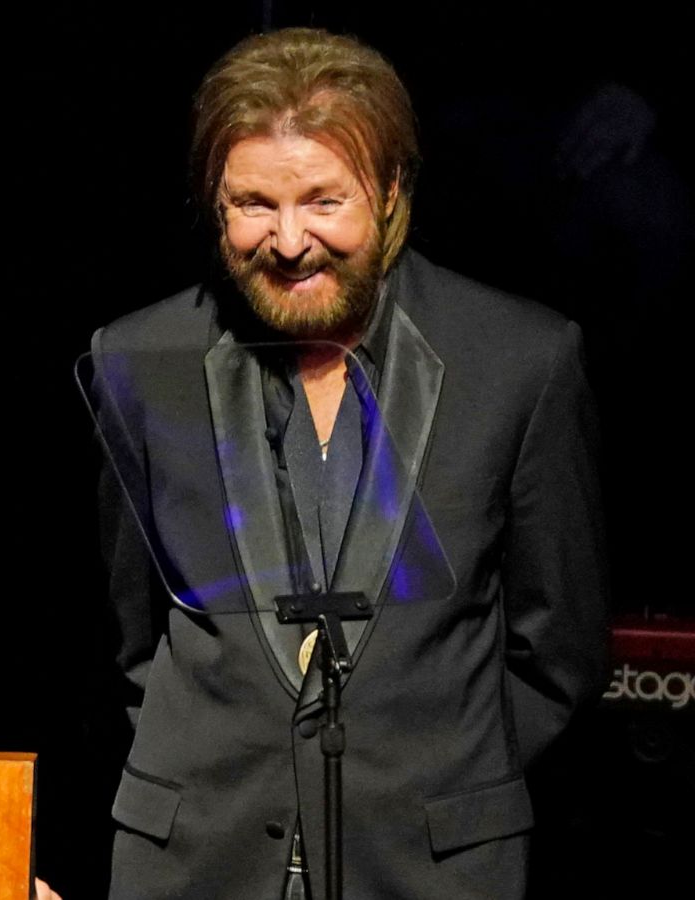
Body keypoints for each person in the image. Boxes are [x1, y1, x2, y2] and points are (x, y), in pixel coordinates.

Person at [89, 28, 609, 899]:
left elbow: (558, 653)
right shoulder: (138, 361)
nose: (289, 242)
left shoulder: (521, 359)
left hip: (434, 867)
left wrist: (434, 772)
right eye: (253, 204)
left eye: (324, 202)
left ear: (394, 191)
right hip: (195, 867)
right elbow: (129, 640)